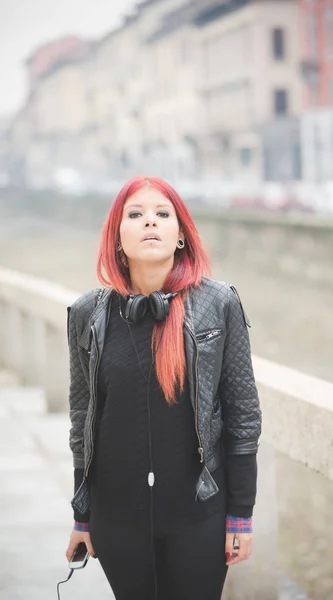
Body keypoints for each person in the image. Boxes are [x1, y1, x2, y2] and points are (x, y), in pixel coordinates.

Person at [65, 176, 262, 600]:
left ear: (180, 235)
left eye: (162, 214)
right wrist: (83, 515)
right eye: (135, 215)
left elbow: (243, 414)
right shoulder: (87, 314)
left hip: (199, 515)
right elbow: (83, 419)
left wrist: (241, 516)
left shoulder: (218, 303)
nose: (149, 223)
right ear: (118, 238)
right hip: (116, 518)